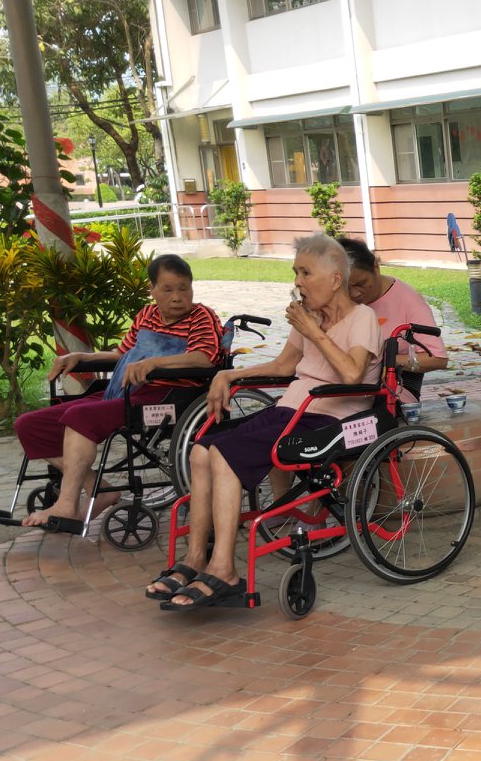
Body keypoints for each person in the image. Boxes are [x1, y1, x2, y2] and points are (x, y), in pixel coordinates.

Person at [148, 233, 380, 611]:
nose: (298, 282)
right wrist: (228, 376)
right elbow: (283, 367)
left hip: (329, 418)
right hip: (291, 411)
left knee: (224, 451)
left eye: (306, 273)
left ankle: (224, 568)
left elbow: (353, 373)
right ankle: (194, 560)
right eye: (296, 272)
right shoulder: (310, 318)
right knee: (202, 449)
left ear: (336, 279)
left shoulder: (362, 317)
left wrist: (313, 332)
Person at [14, 254, 222, 533]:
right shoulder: (146, 315)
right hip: (122, 392)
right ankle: (100, 490)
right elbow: (122, 355)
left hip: (167, 396)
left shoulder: (201, 317)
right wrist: (81, 357)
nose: (177, 297)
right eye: (168, 289)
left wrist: (155, 362)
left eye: (184, 288)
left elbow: (204, 358)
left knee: (79, 417)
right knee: (29, 425)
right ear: (152, 289)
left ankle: (67, 503)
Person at [336, 236, 449, 391]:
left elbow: (437, 359)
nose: (354, 294)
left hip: (392, 391)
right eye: (346, 287)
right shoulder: (336, 300)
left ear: (375, 266)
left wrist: (385, 361)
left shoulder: (408, 301)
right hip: (342, 388)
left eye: (361, 284)